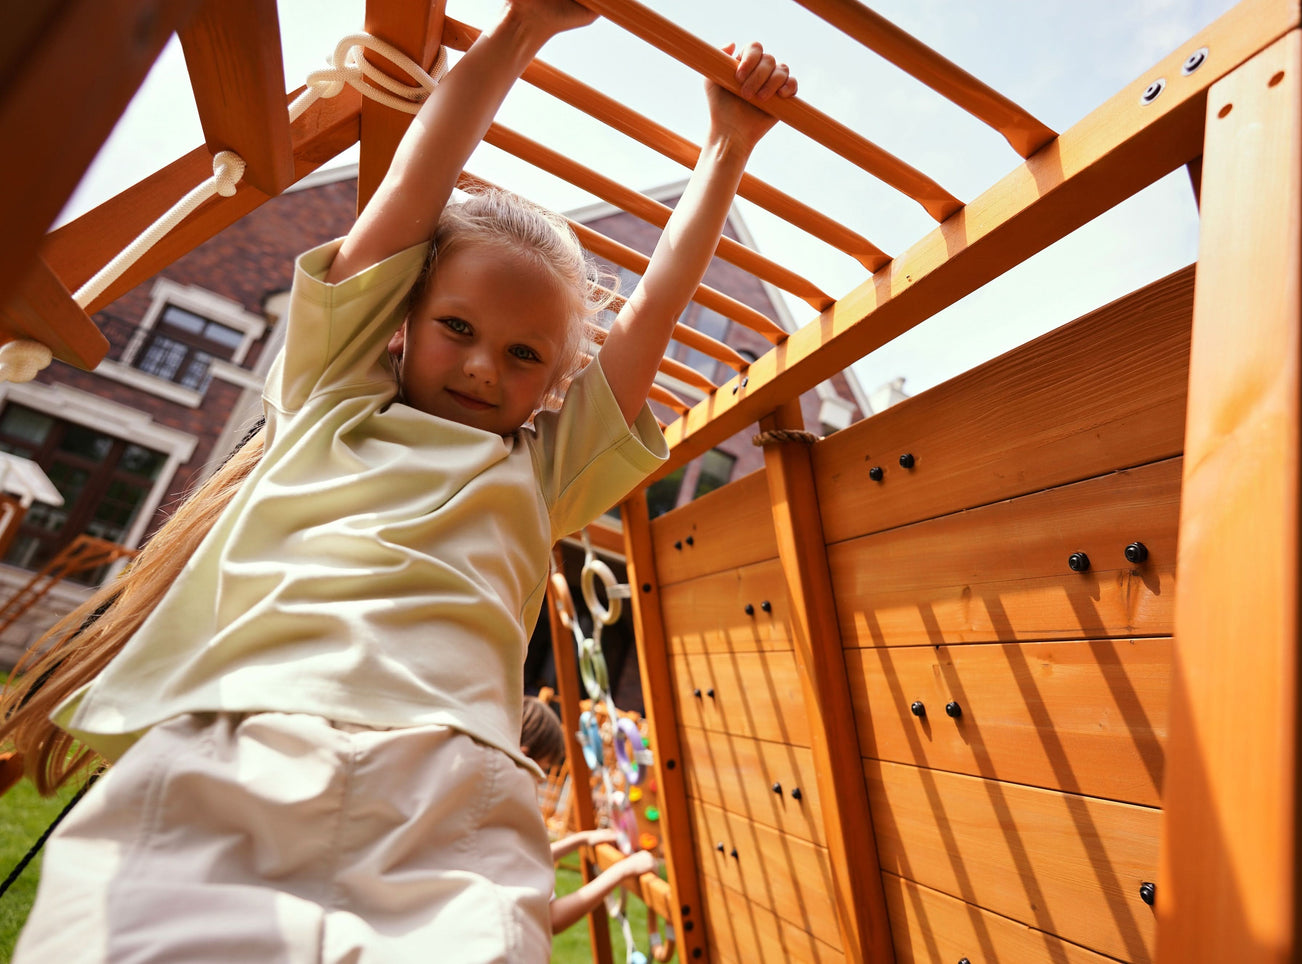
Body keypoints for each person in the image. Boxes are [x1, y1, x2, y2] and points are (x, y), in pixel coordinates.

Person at [0, 0, 796, 958]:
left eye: (523, 356)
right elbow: (421, 173)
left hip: (448, 786)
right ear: (404, 317)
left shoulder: (544, 473)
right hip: (244, 737)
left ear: (555, 380)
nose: (481, 370)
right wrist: (521, 28)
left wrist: (727, 149)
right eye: (457, 328)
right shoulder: (330, 390)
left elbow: (655, 307)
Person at [517, 695, 656, 935]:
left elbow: (527, 858)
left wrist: (581, 839)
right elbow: (550, 919)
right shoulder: (513, 816)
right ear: (524, 756)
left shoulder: (495, 813)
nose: (541, 779)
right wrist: (622, 871)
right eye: (541, 769)